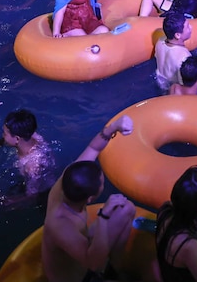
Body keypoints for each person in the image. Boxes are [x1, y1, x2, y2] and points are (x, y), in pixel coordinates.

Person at [41, 115, 136, 282]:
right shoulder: (61, 225)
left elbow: (93, 148)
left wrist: (113, 127)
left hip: (82, 253)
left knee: (126, 209)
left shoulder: (68, 179)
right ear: (90, 198)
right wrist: (104, 216)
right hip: (77, 276)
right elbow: (94, 263)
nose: (102, 179)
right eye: (101, 182)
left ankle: (114, 270)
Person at [155, 12, 193, 89]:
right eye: (188, 27)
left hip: (159, 82)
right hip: (172, 89)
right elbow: (185, 87)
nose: (191, 27)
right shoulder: (184, 57)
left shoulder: (160, 41)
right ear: (177, 35)